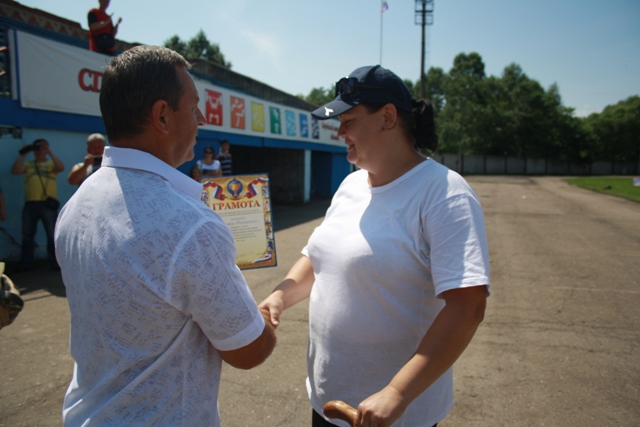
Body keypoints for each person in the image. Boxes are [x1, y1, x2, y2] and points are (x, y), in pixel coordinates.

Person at [54, 46, 276, 426]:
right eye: (194, 107)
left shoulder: (77, 205)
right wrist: (264, 321)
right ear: (161, 116)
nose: (202, 119)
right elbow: (247, 351)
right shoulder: (190, 225)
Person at [259, 65, 490, 427]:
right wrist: (280, 296)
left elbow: (468, 307)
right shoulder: (351, 185)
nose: (340, 132)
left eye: (348, 120)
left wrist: (397, 392)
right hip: (328, 403)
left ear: (387, 117)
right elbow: (319, 256)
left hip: (395, 415)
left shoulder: (444, 193)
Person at [11, 139, 65, 271]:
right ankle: (26, 264)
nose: (39, 150)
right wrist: (25, 153)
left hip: (47, 205)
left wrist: (49, 151)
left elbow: (61, 168)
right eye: (37, 148)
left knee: (52, 235)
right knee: (27, 235)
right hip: (31, 204)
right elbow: (15, 170)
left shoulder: (51, 164)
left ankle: (55, 263)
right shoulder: (29, 165)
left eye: (42, 148)